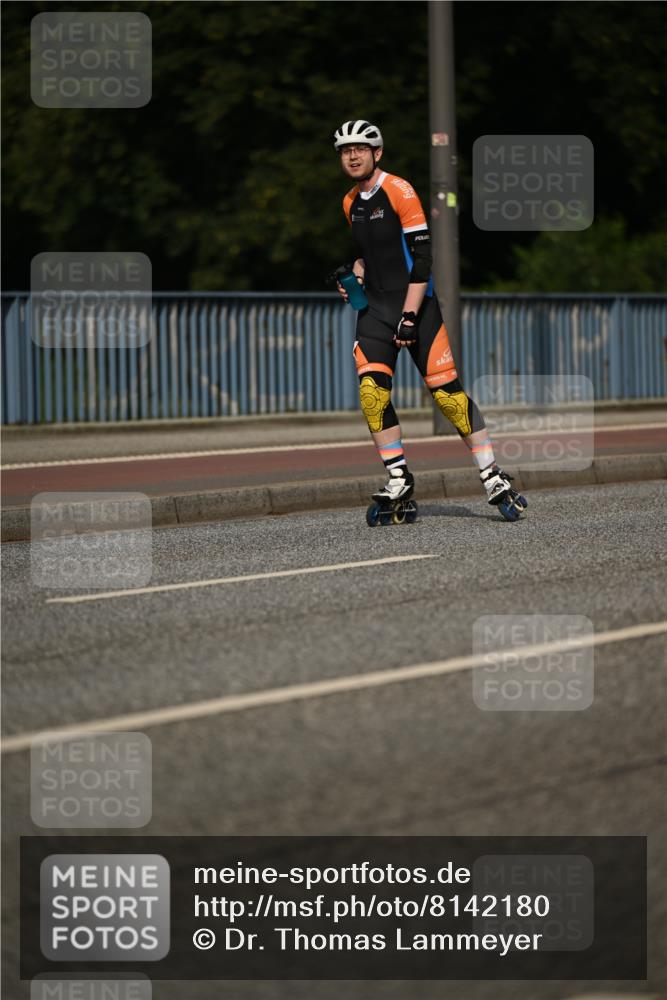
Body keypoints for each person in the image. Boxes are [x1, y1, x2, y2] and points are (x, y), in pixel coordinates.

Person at [333, 118, 524, 515]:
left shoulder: (400, 190)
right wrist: (357, 274)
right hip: (374, 309)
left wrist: (408, 315)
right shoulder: (350, 202)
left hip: (418, 308)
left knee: (449, 398)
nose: (352, 155)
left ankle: (492, 475)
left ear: (377, 153)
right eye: (345, 151)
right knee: (372, 395)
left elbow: (421, 259)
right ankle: (399, 478)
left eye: (360, 149)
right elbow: (371, 254)